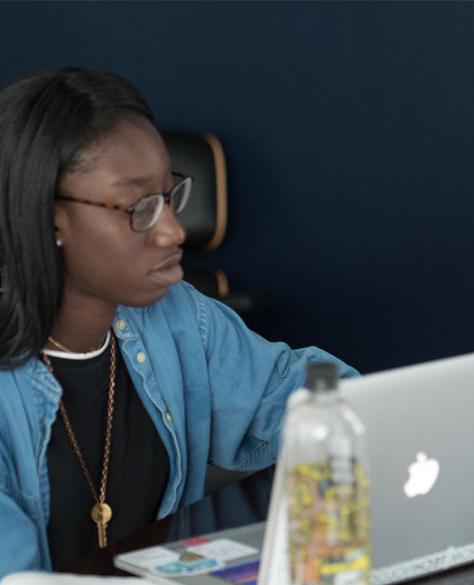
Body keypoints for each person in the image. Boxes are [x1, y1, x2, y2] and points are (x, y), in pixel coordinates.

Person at [0, 67, 357, 577]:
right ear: (49, 219)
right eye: (139, 207)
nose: (172, 230)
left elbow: (312, 400)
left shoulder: (179, 317)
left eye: (169, 197)